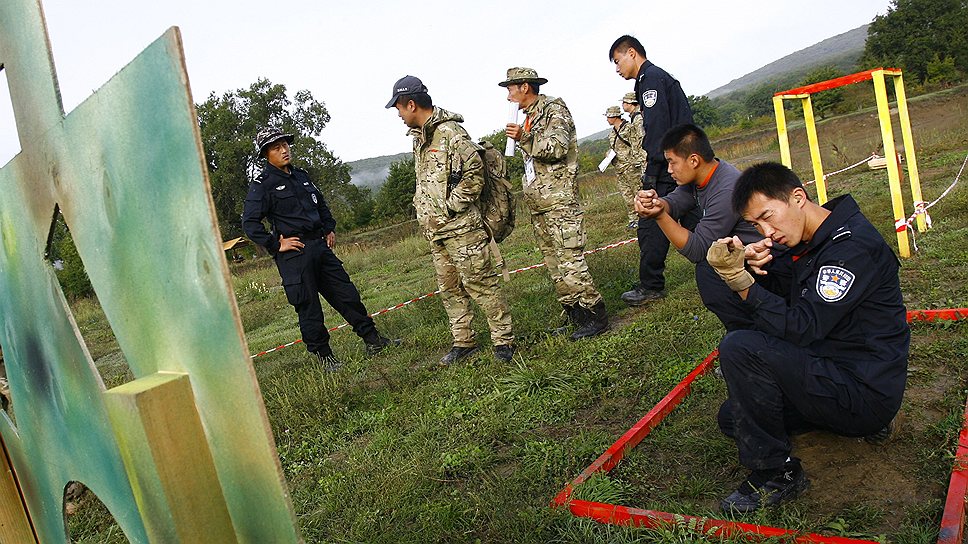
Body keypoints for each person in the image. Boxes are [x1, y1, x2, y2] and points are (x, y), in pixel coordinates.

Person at [705, 162, 909, 513]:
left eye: (768, 217)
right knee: (732, 419)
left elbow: (801, 326)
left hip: (861, 389)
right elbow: (785, 291)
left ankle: (776, 473)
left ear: (798, 197)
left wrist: (742, 282)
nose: (767, 232)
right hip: (827, 369)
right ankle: (834, 420)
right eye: (756, 225)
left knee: (740, 346)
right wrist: (753, 267)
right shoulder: (813, 239)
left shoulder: (851, 248)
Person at [242, 127, 398, 371]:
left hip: (320, 247)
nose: (284, 150)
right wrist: (276, 244)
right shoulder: (263, 184)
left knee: (347, 295)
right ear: (265, 154)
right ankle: (326, 358)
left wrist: (329, 227)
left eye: (285, 144)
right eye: (276, 147)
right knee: (309, 307)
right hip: (295, 255)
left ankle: (373, 341)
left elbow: (320, 203)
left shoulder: (301, 176)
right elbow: (249, 223)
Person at [385, 76, 515, 365]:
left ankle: (503, 340)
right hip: (437, 232)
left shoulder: (451, 132)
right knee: (450, 288)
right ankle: (463, 340)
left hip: (462, 228)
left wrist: (449, 208)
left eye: (399, 109)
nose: (398, 115)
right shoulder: (420, 138)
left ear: (411, 104)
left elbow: (474, 172)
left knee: (480, 283)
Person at [501, 67, 608, 340]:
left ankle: (595, 315)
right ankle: (576, 316)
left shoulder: (553, 110)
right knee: (554, 264)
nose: (508, 95)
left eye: (511, 88)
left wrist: (523, 138)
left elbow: (557, 149)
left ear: (525, 87)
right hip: (540, 202)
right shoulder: (529, 117)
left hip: (559, 201)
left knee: (570, 259)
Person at [634, 123, 757, 329]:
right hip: (745, 254)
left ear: (693, 160)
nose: (669, 170)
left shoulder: (727, 188)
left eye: (672, 163)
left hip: (765, 259)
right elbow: (674, 202)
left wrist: (659, 216)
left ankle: (747, 331)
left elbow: (698, 249)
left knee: (708, 270)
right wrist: (654, 202)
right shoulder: (701, 177)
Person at [610, 34, 694, 306]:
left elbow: (659, 129)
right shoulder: (651, 79)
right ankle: (721, 262)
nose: (617, 68)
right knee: (694, 217)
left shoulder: (651, 80)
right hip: (678, 162)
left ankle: (652, 285)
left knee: (650, 222)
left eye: (617, 60)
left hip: (667, 166)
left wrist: (655, 168)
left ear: (631, 53)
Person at [603, 105, 642, 228]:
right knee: (627, 195)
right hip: (619, 168)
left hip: (631, 167)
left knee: (638, 192)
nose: (607, 119)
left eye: (608, 117)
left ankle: (645, 217)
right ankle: (633, 219)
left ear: (614, 116)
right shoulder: (612, 133)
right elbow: (615, 148)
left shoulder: (628, 128)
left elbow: (636, 145)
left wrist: (637, 162)